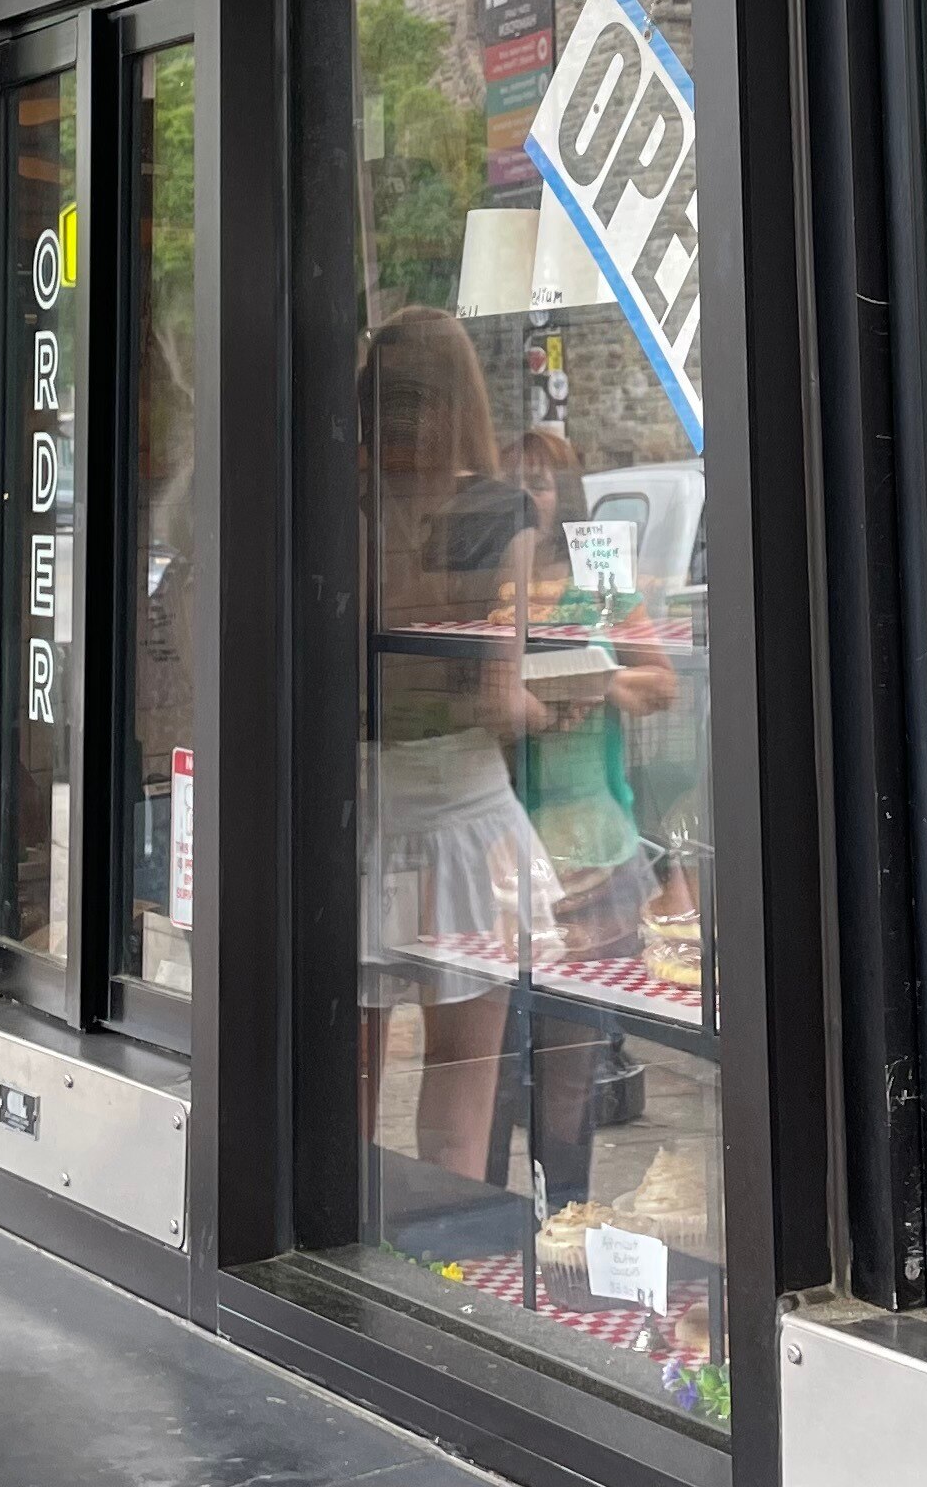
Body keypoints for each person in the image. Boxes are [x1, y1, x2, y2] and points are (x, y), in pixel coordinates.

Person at [356, 305, 556, 1197]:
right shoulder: (497, 511)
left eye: (410, 399)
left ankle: (345, 1266)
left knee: (341, 1104)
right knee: (460, 1104)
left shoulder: (340, 504)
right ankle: (442, 1283)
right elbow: (500, 699)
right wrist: (571, 702)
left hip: (364, 808)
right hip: (468, 817)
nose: (405, 421)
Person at [503, 426, 675, 1212]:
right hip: (502, 850)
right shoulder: (484, 589)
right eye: (513, 480)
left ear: (564, 495)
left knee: (570, 1064)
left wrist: (594, 682)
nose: (526, 494)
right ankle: (481, 1228)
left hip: (591, 850)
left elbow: (661, 684)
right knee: (492, 1062)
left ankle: (562, 1220)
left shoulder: (599, 586)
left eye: (539, 481)